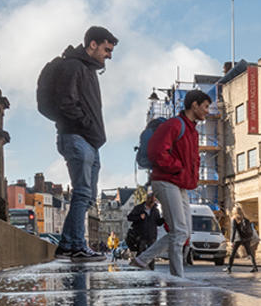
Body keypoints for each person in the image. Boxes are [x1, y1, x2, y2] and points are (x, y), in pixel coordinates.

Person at [39, 26, 118, 260]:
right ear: (92, 44)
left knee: (87, 195)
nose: (109, 55)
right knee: (82, 192)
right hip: (77, 136)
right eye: (107, 49)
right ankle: (72, 245)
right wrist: (86, 125)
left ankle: (70, 245)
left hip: (89, 140)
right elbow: (66, 103)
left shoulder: (87, 70)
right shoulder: (74, 66)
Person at [128, 90, 211, 278]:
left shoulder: (192, 131)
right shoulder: (175, 124)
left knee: (184, 232)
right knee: (180, 231)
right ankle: (177, 277)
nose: (208, 111)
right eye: (205, 106)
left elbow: (193, 159)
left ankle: (141, 260)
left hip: (179, 183)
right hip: (166, 180)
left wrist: (189, 177)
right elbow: (157, 151)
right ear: (194, 105)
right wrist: (178, 168)